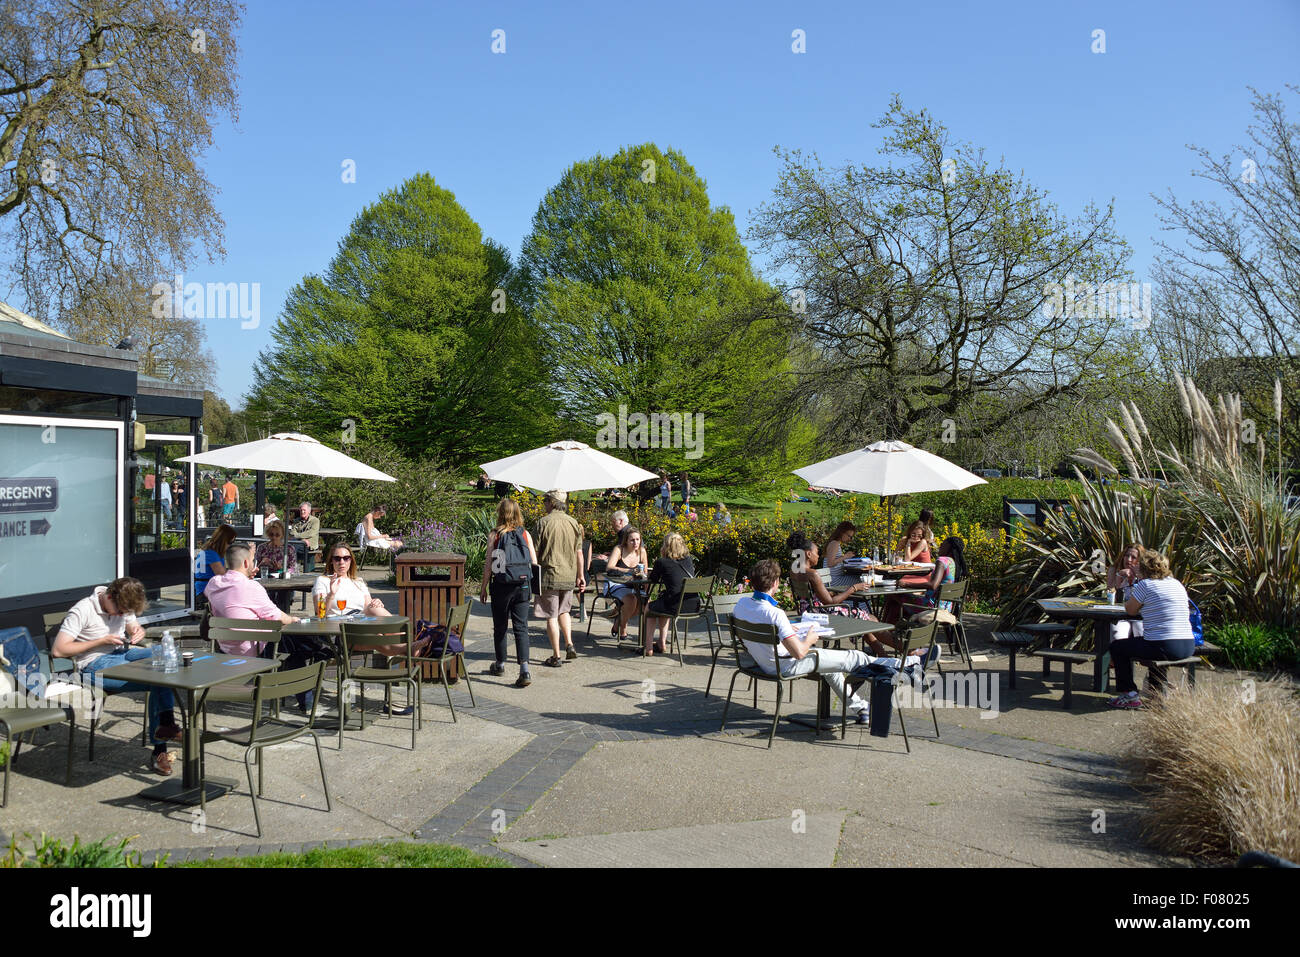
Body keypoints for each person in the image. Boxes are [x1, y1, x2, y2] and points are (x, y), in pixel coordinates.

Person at [731, 560, 906, 725]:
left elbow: (748, 635)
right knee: (855, 656)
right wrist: (810, 639)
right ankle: (901, 666)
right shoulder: (775, 614)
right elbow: (799, 653)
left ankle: (862, 709)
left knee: (831, 669)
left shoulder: (741, 605)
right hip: (785, 665)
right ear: (776, 583)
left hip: (764, 662)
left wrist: (788, 630)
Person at [51, 578, 181, 776]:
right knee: (158, 677)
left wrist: (138, 631)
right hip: (93, 665)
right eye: (119, 611)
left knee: (168, 655)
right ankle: (161, 746)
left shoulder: (123, 603)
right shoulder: (82, 610)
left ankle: (166, 726)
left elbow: (133, 626)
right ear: (109, 597)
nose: (121, 615)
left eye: (124, 613)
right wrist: (100, 641)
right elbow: (59, 650)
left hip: (121, 654)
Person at [206, 542, 321, 711]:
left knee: (291, 644)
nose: (255, 563)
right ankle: (308, 691)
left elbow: (235, 601)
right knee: (293, 641)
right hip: (254, 650)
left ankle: (317, 654)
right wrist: (294, 618)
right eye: (253, 560)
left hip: (227, 648)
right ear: (246, 563)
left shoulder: (214, 583)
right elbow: (278, 617)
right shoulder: (251, 587)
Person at [1108, 549, 1196, 708]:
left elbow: (1130, 610)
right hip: (1188, 645)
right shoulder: (1176, 583)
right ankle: (1156, 692)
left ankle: (1129, 694)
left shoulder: (1145, 584)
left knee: (1118, 647)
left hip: (1165, 646)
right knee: (1151, 644)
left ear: (1143, 568)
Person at [479, 497, 538, 688]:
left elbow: (490, 564)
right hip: (522, 586)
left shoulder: (494, 535)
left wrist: (484, 586)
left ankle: (500, 664)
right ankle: (525, 669)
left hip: (502, 585)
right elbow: (534, 562)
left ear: (501, 513)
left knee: (501, 626)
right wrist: (534, 588)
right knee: (521, 627)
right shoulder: (525, 534)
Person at [785, 531, 880, 641]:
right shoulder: (812, 574)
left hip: (807, 612)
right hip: (821, 614)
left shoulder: (794, 571)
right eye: (817, 552)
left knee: (864, 620)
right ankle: (899, 651)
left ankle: (881, 652)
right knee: (871, 620)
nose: (819, 555)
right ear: (808, 554)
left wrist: (831, 593)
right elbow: (830, 603)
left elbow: (814, 596)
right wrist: (853, 588)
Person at [533, 489, 585, 667]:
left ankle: (556, 655)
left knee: (551, 615)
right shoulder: (574, 523)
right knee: (564, 611)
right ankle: (569, 643)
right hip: (568, 575)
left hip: (549, 575)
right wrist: (581, 575)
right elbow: (579, 553)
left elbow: (535, 552)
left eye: (545, 500)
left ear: (552, 502)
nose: (544, 504)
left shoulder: (543, 523)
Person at [642, 532, 698, 656]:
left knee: (649, 607)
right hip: (693, 604)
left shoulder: (662, 562)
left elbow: (654, 579)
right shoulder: (688, 560)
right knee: (663, 602)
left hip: (676, 606)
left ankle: (648, 647)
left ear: (666, 546)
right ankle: (662, 643)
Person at [602, 526, 648, 642]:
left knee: (645, 604)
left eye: (638, 539)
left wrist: (642, 576)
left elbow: (645, 572)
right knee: (631, 600)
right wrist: (629, 571)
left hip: (634, 585)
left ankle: (618, 621)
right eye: (632, 540)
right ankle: (623, 628)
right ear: (626, 541)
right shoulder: (619, 549)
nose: (635, 543)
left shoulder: (642, 551)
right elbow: (609, 567)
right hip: (616, 584)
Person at [254, 521, 299, 610]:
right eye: (271, 535)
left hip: (284, 583)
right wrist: (261, 564)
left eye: (277, 535)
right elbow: (255, 568)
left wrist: (281, 569)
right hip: (266, 582)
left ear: (282, 535)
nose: (274, 537)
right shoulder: (262, 548)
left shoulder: (289, 549)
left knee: (282, 596)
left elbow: (293, 569)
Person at [1107, 543, 1145, 642]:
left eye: (1133, 557)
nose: (1129, 560)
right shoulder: (1114, 569)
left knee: (1141, 633)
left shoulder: (1145, 574)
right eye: (1127, 555)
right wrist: (1119, 576)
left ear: (1140, 560)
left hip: (1139, 614)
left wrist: (1139, 576)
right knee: (1117, 636)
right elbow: (1111, 594)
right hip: (1120, 614)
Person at [194, 524, 237, 602]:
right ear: (224, 540)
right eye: (230, 541)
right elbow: (222, 576)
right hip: (206, 592)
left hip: (208, 590)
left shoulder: (211, 551)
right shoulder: (211, 553)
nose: (231, 545)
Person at [823, 521, 859, 590]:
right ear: (842, 532)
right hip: (834, 580)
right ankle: (858, 600)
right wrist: (845, 557)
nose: (850, 539)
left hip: (834, 578)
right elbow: (830, 563)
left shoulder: (835, 543)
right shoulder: (834, 544)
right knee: (861, 580)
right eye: (849, 536)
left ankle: (855, 600)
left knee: (857, 578)